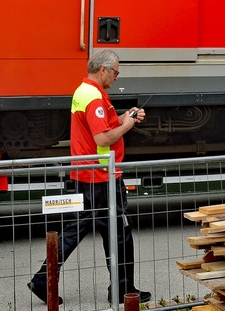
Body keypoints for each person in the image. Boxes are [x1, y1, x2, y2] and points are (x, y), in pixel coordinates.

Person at [29, 50, 152, 305]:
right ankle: (123, 290)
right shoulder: (95, 98)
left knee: (77, 230)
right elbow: (103, 138)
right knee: (119, 234)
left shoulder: (85, 92)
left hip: (89, 174)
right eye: (115, 72)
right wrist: (128, 126)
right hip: (101, 176)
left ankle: (43, 280)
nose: (117, 77)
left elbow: (103, 125)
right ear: (103, 70)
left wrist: (125, 117)